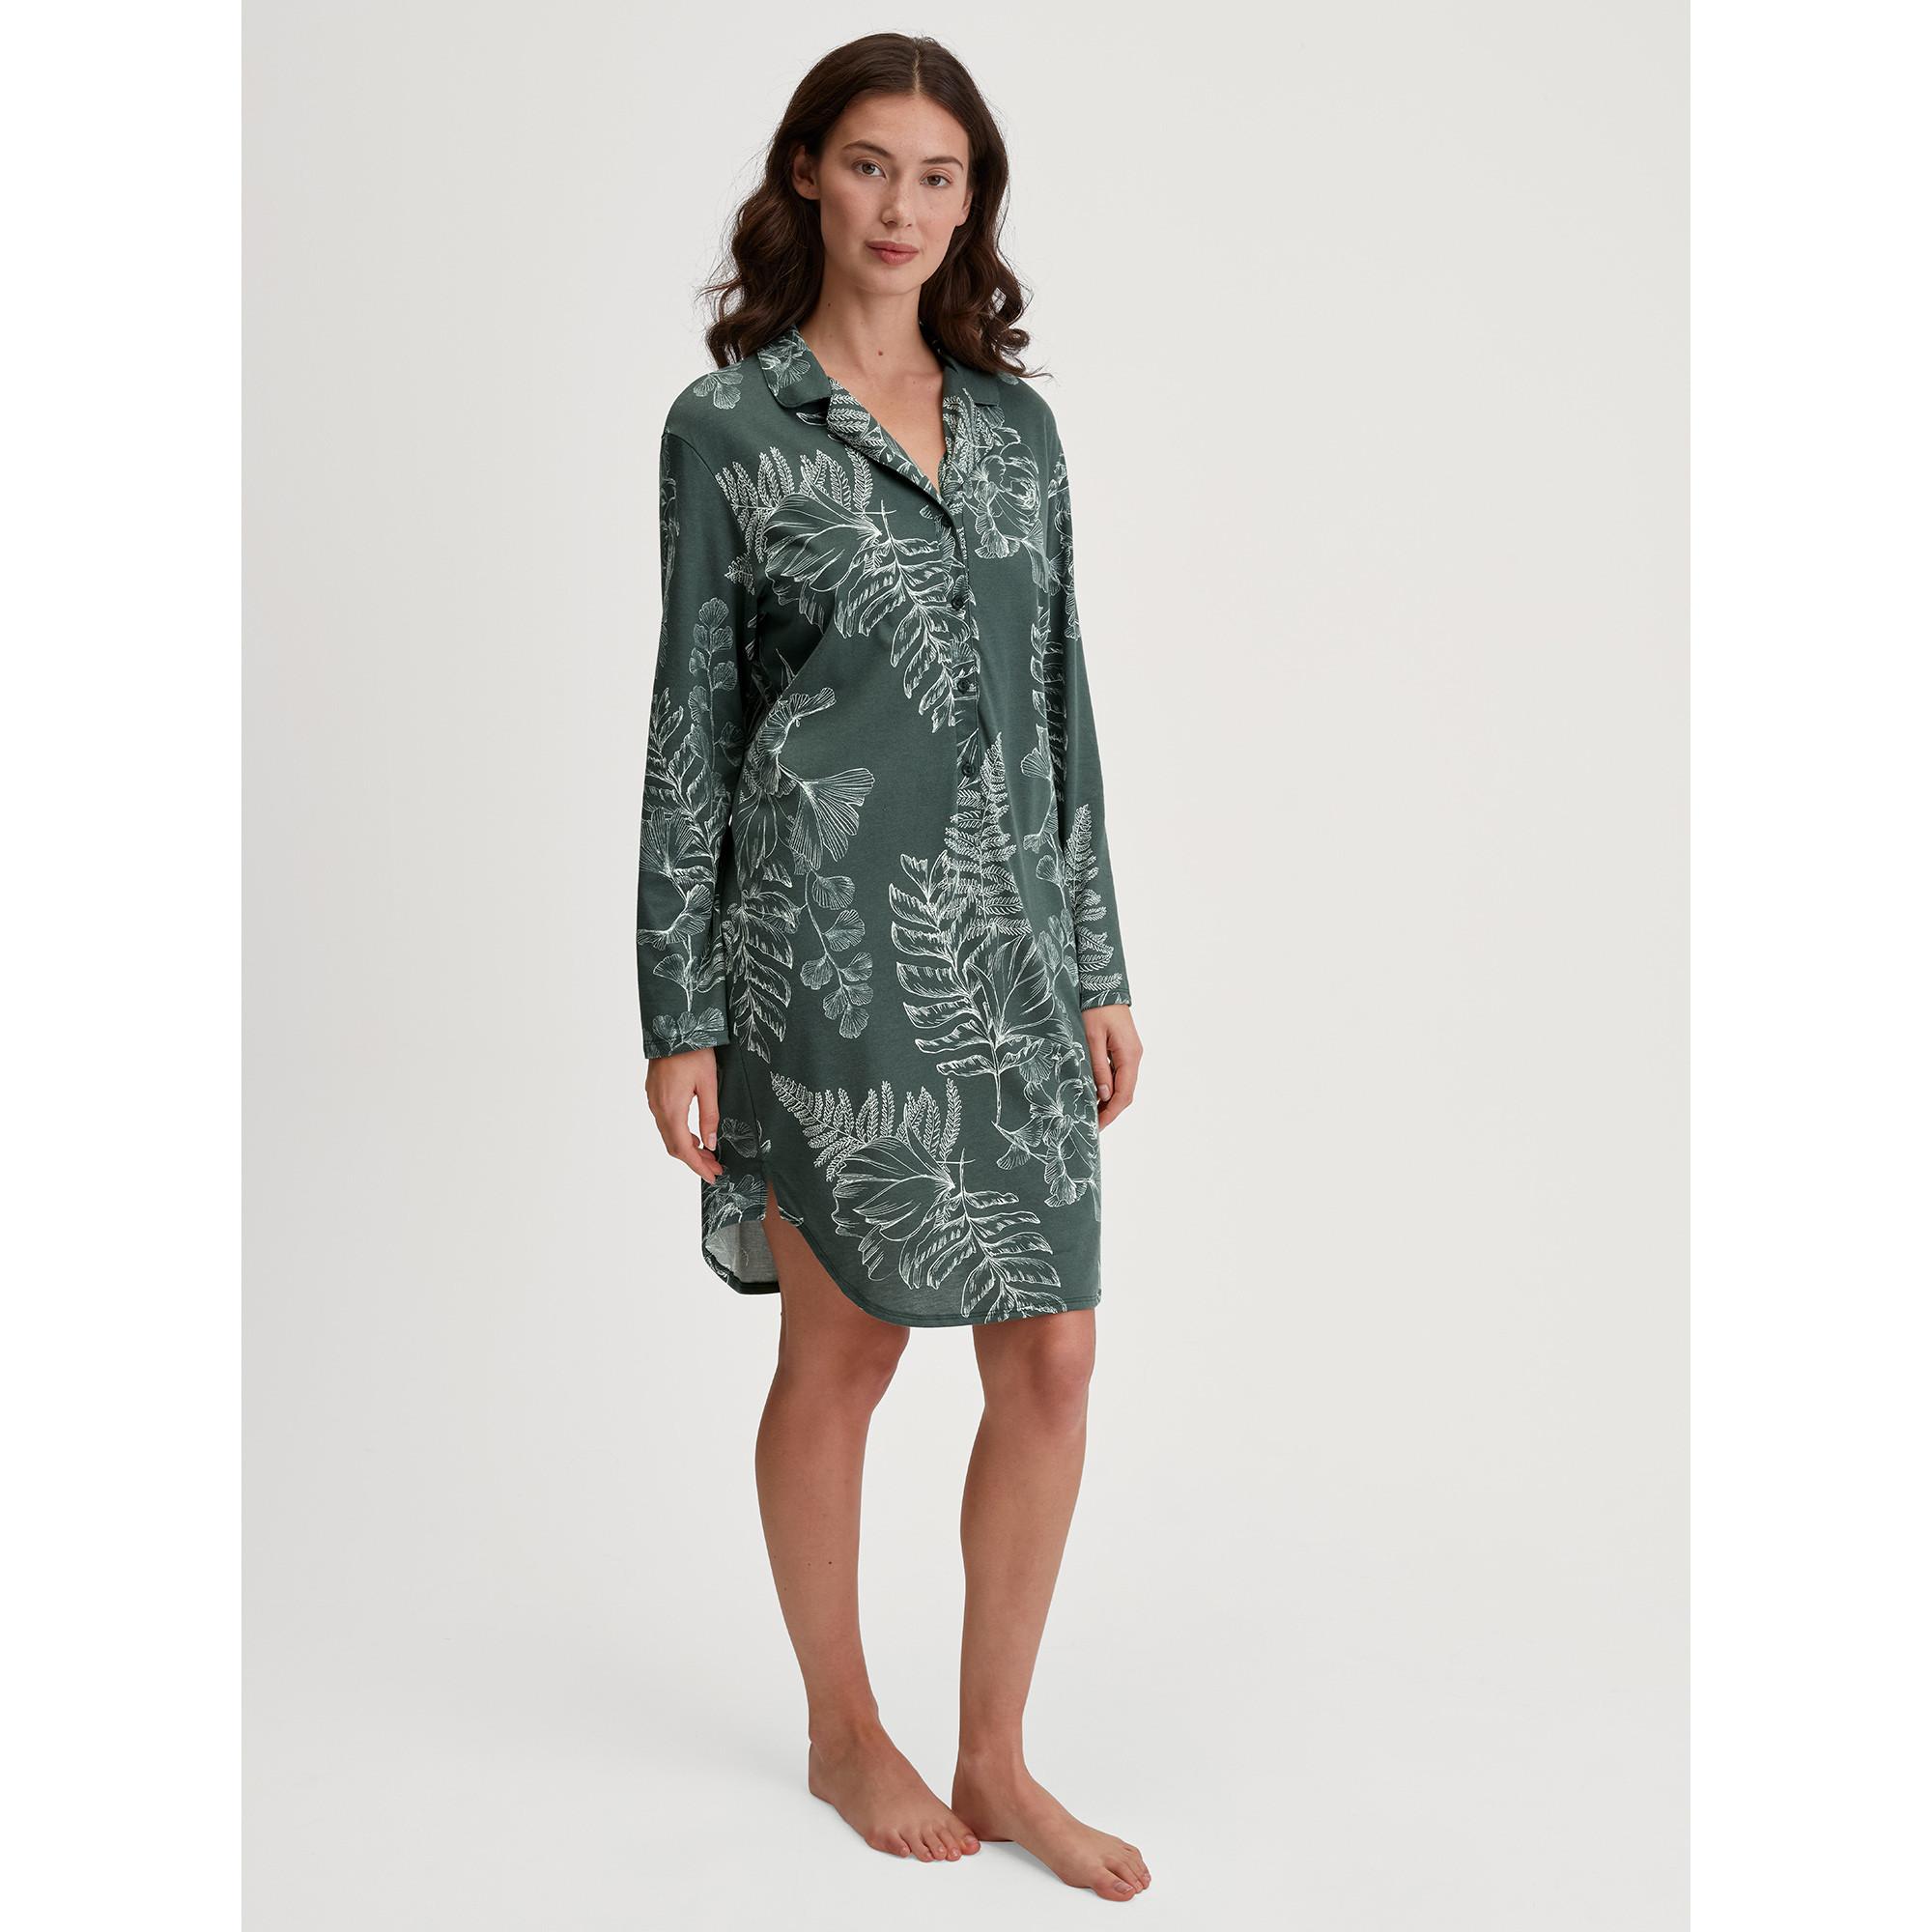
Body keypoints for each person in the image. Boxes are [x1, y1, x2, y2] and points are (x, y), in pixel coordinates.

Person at [636, 32, 1149, 1902]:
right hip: (821, 949)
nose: (903, 207)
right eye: (870, 165)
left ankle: (996, 1753)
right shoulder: (730, 427)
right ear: (805, 173)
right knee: (845, 1345)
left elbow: (1055, 699)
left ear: (970, 200)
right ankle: (845, 1728)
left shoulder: (1018, 433)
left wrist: (1095, 956)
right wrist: (677, 1009)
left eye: (939, 177)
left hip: (1005, 943)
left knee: (1054, 1351)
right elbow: (692, 722)